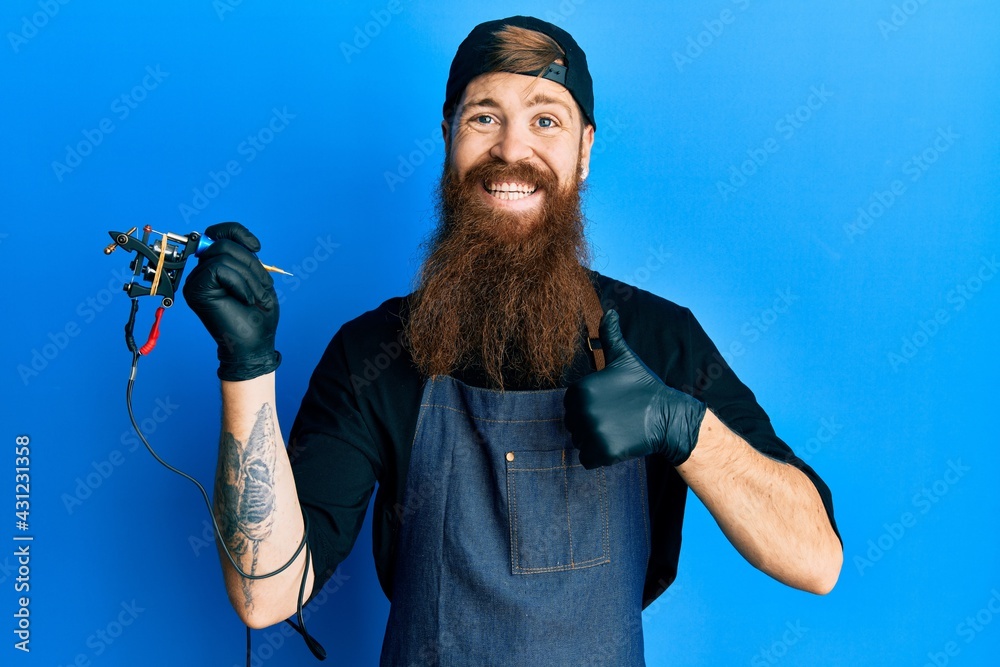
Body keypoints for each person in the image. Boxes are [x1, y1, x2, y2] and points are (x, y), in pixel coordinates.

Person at [183, 15, 842, 665]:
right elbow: (265, 593)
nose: (511, 149)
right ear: (448, 138)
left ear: (584, 150)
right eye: (484, 117)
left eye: (545, 119)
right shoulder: (374, 351)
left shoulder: (657, 338)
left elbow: (814, 559)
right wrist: (246, 367)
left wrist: (683, 425)